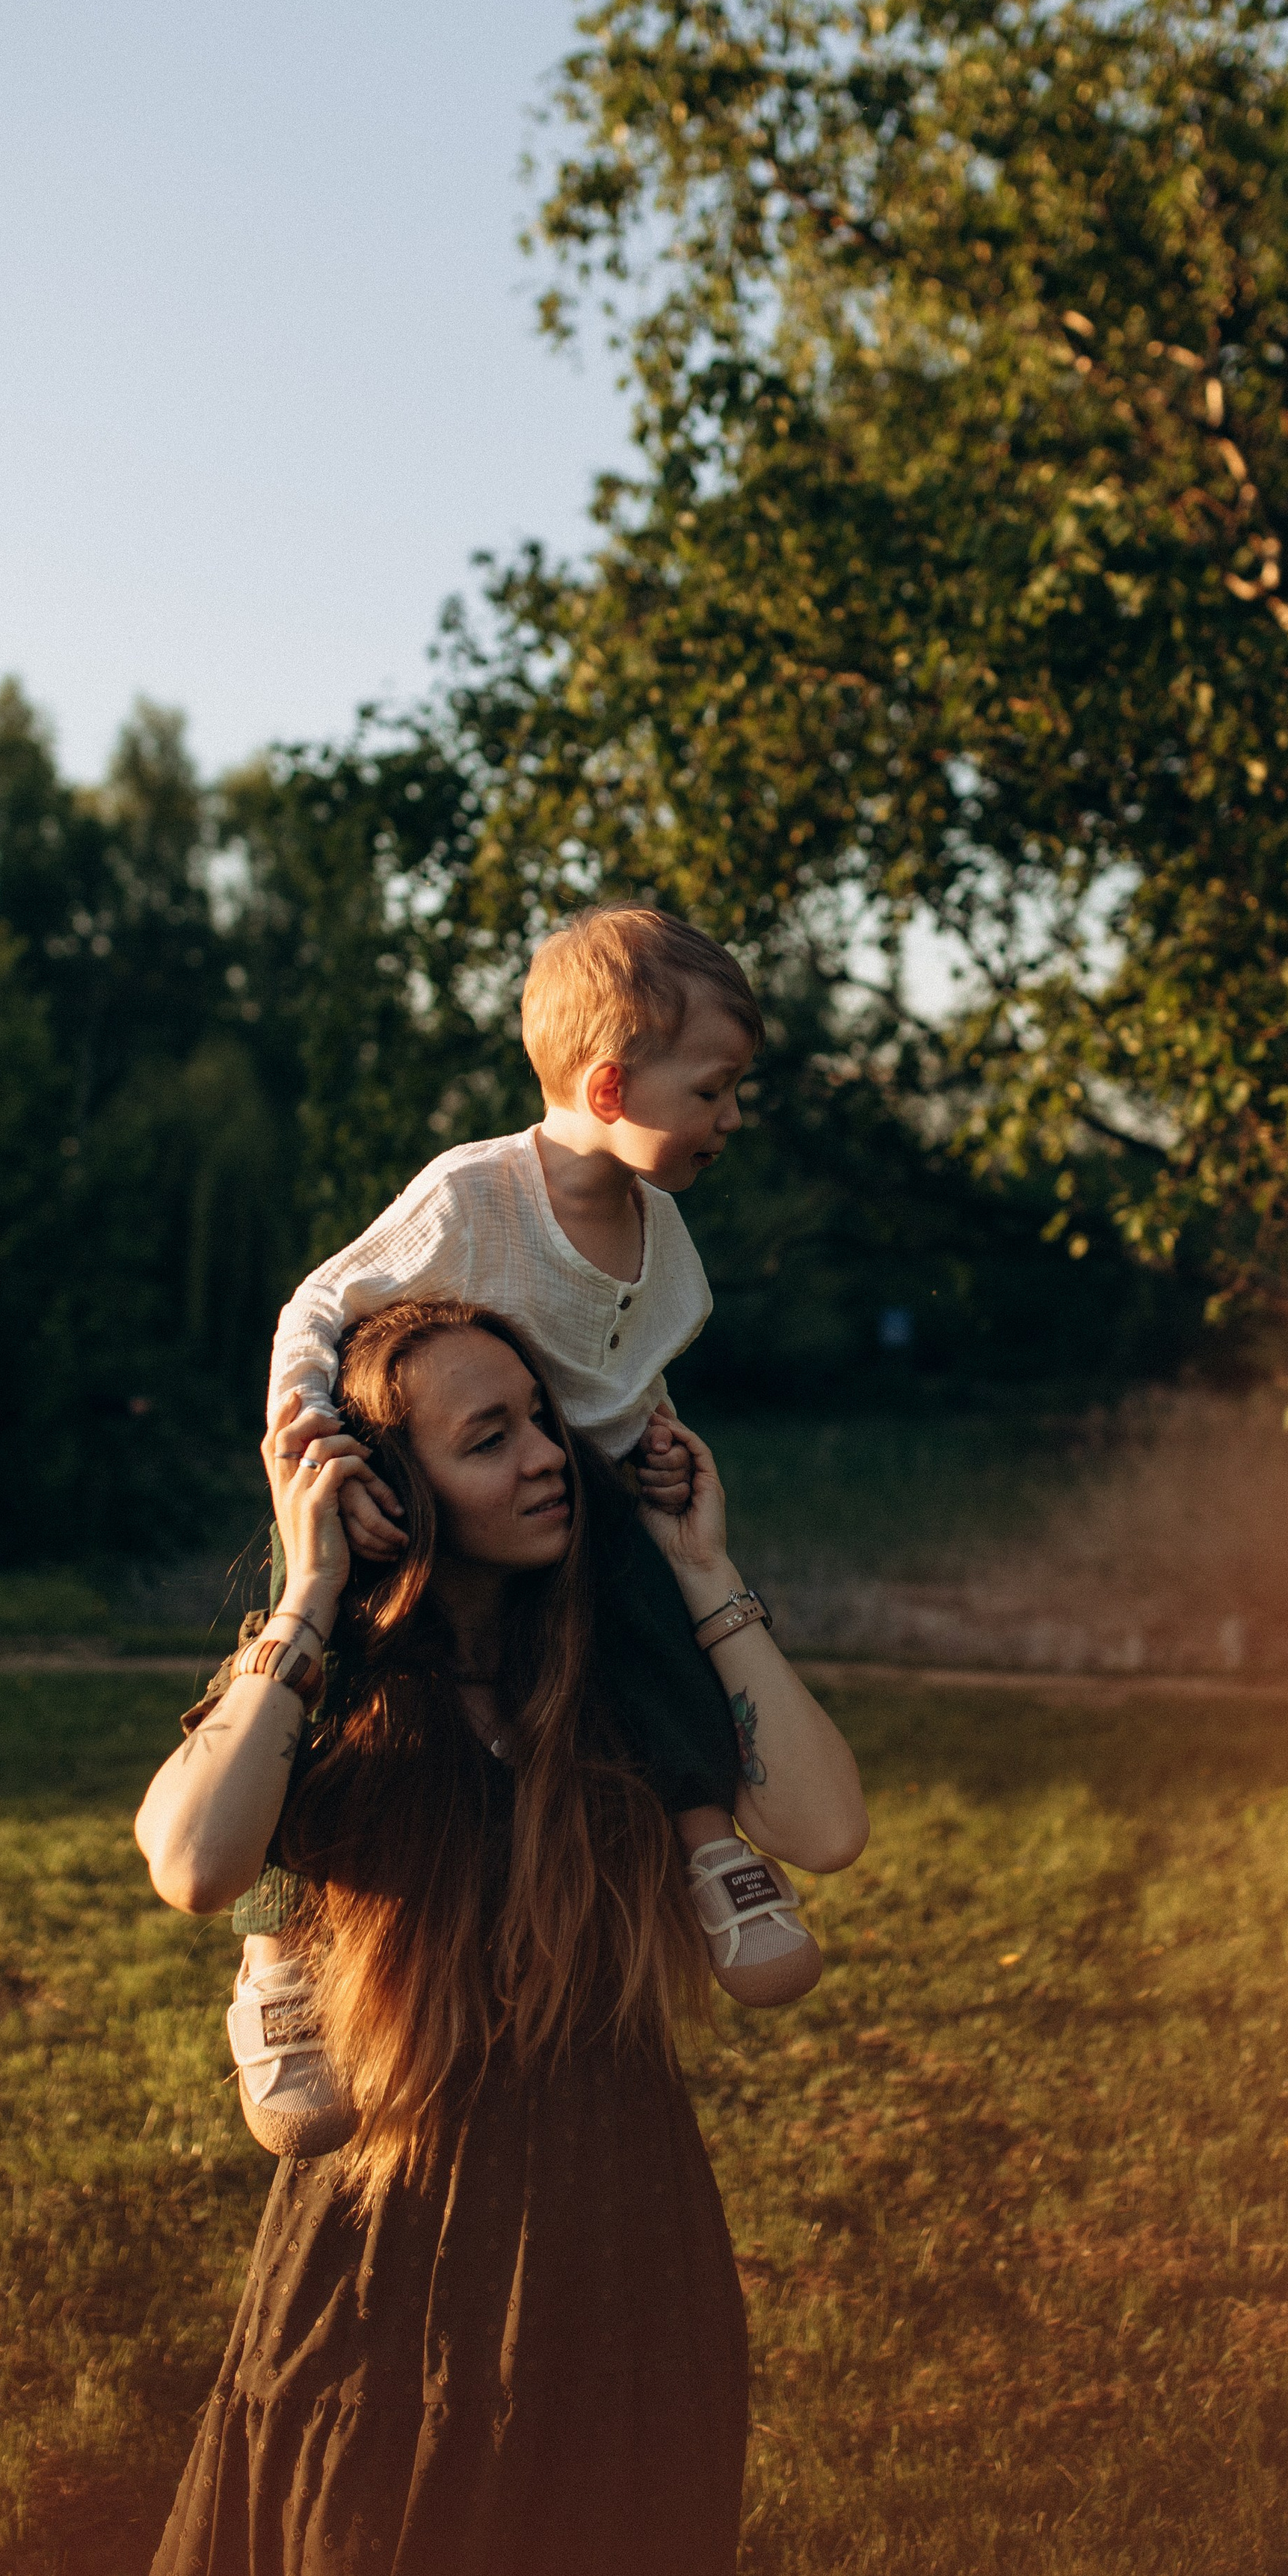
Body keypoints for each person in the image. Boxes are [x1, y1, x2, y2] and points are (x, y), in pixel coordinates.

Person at [117, 1298, 867, 2576]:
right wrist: (303, 1594)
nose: (544, 1458)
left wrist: (706, 1571)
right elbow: (195, 1860)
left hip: (617, 2229)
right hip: (380, 2242)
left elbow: (822, 1828)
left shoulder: (623, 1676)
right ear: (394, 1487)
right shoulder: (323, 1690)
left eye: (541, 1420)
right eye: (487, 1437)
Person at [227, 906, 817, 2154]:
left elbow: (621, 1380)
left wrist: (654, 1445)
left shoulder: (669, 1252)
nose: (729, 1117)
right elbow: (324, 1298)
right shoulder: (474, 1193)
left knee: (654, 1620)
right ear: (610, 1083)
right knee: (315, 1654)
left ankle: (710, 1847)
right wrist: (306, 1428)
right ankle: (280, 1948)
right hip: (407, 1472)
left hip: (561, 1500)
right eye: (712, 1089)